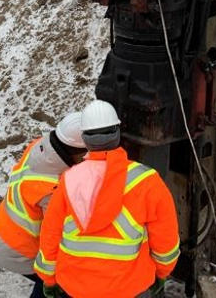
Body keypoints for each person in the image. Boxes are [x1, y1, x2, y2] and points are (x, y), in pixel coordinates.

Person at [34, 100, 180, 298]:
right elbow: (166, 240)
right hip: (130, 288)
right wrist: (162, 273)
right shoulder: (147, 181)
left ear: (85, 139)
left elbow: (50, 235)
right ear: (117, 134)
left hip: (75, 288)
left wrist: (49, 279)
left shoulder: (68, 181)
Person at [0, 112, 87, 298]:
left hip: (4, 228)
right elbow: (59, 239)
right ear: (75, 153)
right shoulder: (51, 190)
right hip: (16, 249)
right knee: (59, 284)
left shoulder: (42, 148)